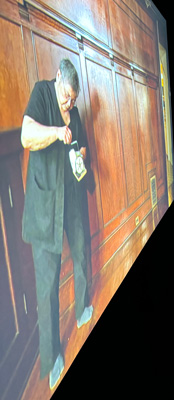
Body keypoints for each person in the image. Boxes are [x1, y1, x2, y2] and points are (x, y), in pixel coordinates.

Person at [21, 58, 93, 389]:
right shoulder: (41, 93)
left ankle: (82, 308)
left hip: (71, 196)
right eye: (66, 97)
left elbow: (78, 147)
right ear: (57, 80)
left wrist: (81, 159)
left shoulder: (75, 113)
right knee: (46, 282)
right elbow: (26, 136)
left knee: (82, 251)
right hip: (45, 202)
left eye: (73, 100)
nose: (68, 104)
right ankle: (51, 359)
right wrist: (55, 132)